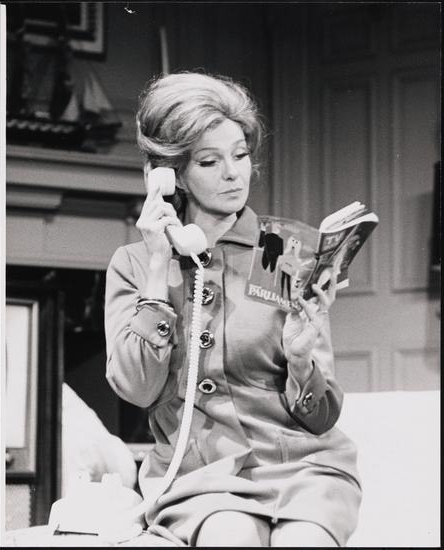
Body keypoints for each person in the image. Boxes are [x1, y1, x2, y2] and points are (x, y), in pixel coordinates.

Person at [104, 71, 362, 547]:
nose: (233, 173)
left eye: (240, 155)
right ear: (171, 174)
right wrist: (160, 267)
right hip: (198, 477)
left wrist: (301, 361)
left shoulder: (291, 251)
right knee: (232, 534)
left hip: (301, 468)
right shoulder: (135, 263)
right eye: (209, 161)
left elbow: (322, 416)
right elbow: (137, 390)